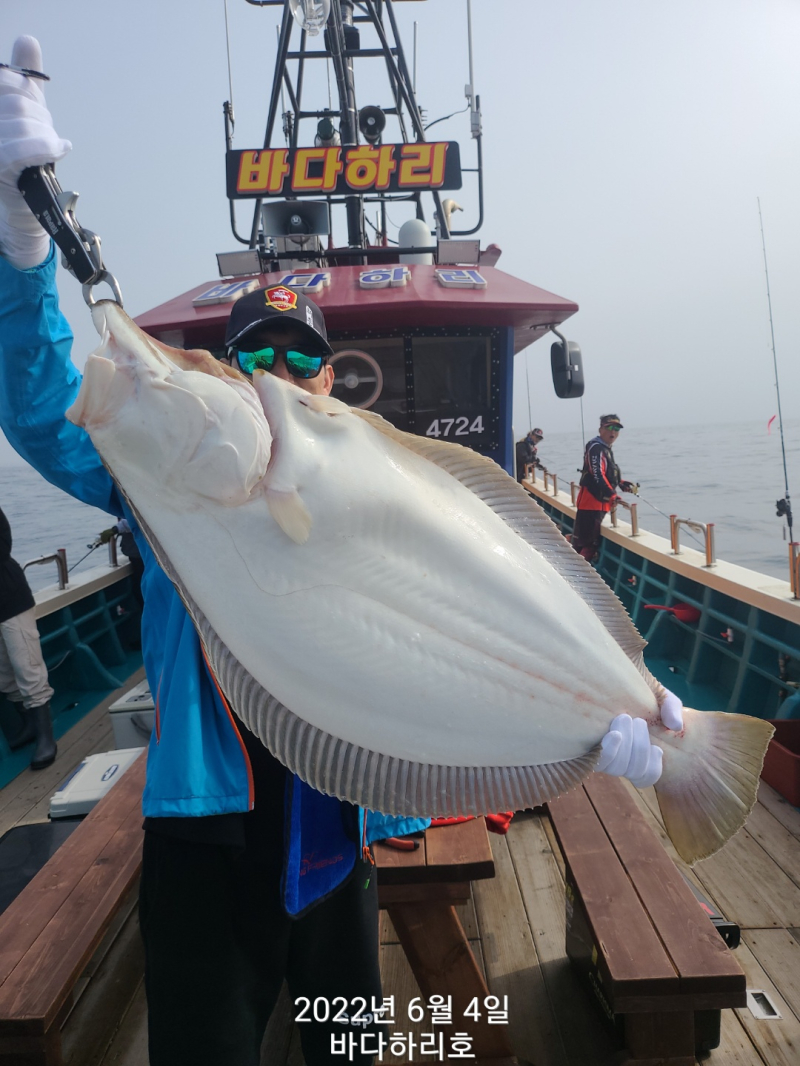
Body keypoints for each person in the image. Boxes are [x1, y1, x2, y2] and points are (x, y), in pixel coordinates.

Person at [0, 37, 682, 1066]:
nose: (277, 373)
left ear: (328, 389)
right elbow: (50, 404)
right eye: (252, 359)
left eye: (302, 361)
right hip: (205, 831)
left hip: (335, 828)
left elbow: (463, 625)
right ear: (227, 376)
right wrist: (22, 253)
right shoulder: (158, 489)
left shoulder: (381, 493)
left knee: (347, 1050)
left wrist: (606, 720)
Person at [0, 504, 57, 768]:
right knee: (4, 673)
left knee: (26, 665)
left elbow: (3, 545)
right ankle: (29, 726)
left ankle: (46, 736)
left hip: (10, 597)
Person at [572, 414, 637, 561]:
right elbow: (597, 475)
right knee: (587, 545)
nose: (613, 432)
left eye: (616, 429)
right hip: (591, 505)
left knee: (589, 542)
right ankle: (574, 575)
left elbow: (607, 472)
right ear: (600, 429)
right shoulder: (596, 448)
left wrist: (621, 483)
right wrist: (613, 495)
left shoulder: (606, 448)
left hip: (600, 504)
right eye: (609, 428)